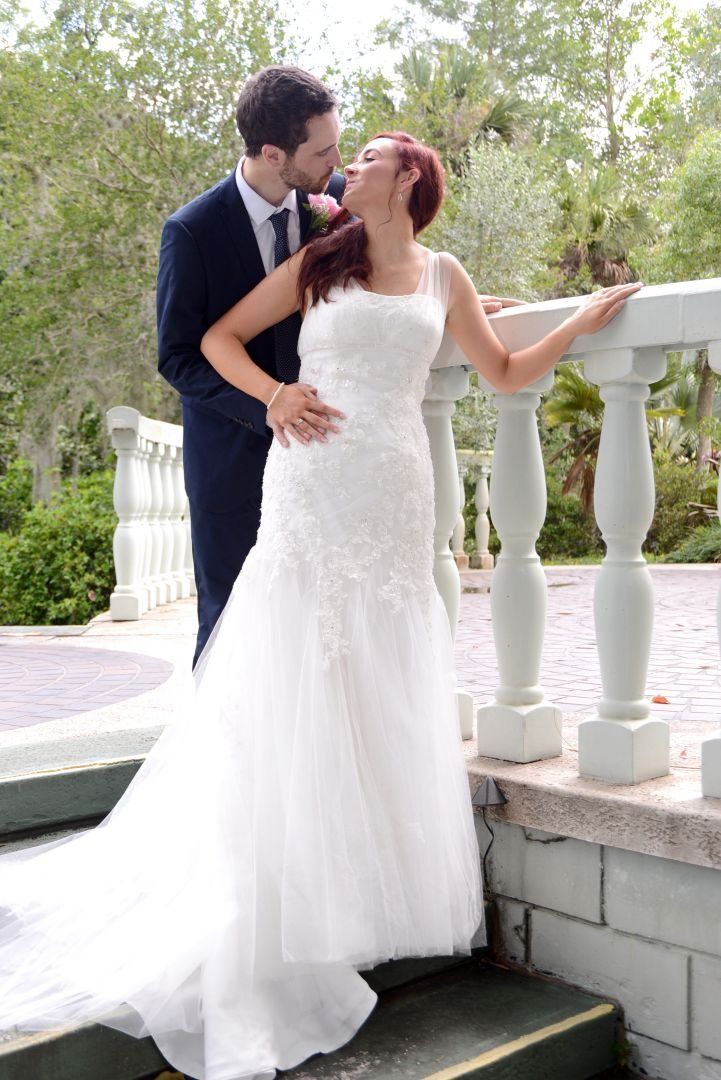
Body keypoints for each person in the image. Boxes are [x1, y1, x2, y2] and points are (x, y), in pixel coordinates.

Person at [0, 131, 641, 1080]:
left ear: (409, 178)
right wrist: (272, 396)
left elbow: (504, 372)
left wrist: (576, 323)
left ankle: (354, 896)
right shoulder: (317, 260)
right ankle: (276, 888)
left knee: (375, 674)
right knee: (292, 666)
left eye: (371, 154)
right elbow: (216, 338)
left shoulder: (444, 275)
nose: (352, 166)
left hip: (392, 492)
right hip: (310, 485)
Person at [157, 65, 346, 666]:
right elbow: (178, 357)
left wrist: (445, 300)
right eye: (323, 151)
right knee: (228, 618)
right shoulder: (192, 231)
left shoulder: (337, 199)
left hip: (323, 443)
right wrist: (268, 402)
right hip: (230, 455)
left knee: (319, 614)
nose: (337, 161)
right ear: (272, 154)